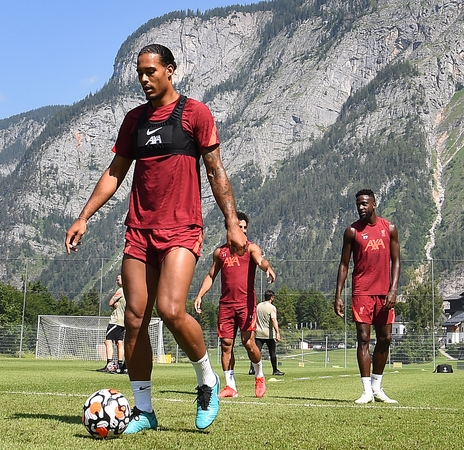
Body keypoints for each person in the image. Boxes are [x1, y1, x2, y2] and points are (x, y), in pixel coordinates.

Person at [65, 43, 247, 433]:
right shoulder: (134, 121)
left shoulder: (195, 114)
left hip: (183, 228)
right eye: (139, 73)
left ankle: (208, 381)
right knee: (134, 318)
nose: (144, 79)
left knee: (170, 308)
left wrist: (231, 222)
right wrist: (83, 216)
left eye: (151, 71)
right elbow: (114, 173)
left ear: (170, 70)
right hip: (139, 232)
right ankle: (144, 411)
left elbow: (215, 172)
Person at [194, 211, 276, 399]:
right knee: (226, 345)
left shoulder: (250, 248)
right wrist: (199, 295)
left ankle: (259, 376)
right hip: (226, 305)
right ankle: (231, 386)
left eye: (245, 228)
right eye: (239, 227)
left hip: (245, 305)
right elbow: (210, 276)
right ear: (230, 229)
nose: (243, 231)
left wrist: (268, 268)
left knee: (248, 343)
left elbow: (261, 260)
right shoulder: (220, 252)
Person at [334, 189, 400, 404]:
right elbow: (344, 265)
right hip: (361, 292)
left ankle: (377, 387)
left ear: (374, 204)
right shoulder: (352, 231)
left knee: (386, 339)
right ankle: (366, 391)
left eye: (365, 203)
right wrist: (338, 295)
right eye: (358, 204)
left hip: (384, 293)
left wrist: (393, 290)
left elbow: (396, 261)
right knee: (363, 339)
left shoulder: (389, 228)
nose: (361, 207)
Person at [98, 275, 126, 374]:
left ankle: (109, 363)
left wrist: (115, 304)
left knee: (108, 341)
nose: (116, 280)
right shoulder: (129, 291)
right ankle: (120, 364)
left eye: (118, 279)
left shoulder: (121, 290)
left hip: (115, 320)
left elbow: (110, 302)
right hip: (123, 321)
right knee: (119, 342)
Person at [252, 289, 284, 376]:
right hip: (269, 334)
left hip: (258, 333)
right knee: (272, 352)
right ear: (271, 297)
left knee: (256, 352)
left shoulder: (258, 306)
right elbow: (273, 320)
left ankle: (252, 369)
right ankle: (275, 370)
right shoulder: (272, 307)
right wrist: (277, 332)